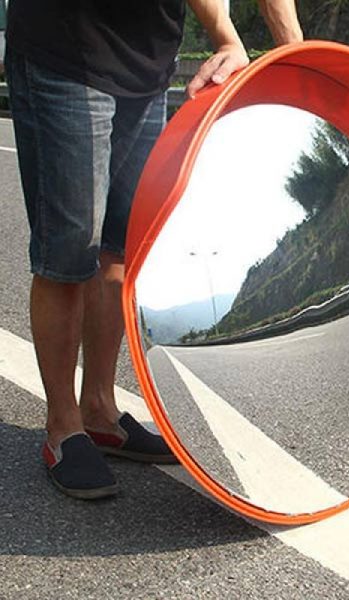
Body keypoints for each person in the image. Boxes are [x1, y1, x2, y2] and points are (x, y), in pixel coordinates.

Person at [4, 0, 303, 500]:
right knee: (69, 253)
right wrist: (226, 36)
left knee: (122, 249)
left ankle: (99, 411)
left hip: (146, 66)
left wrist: (297, 60)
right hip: (67, 51)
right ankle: (63, 427)